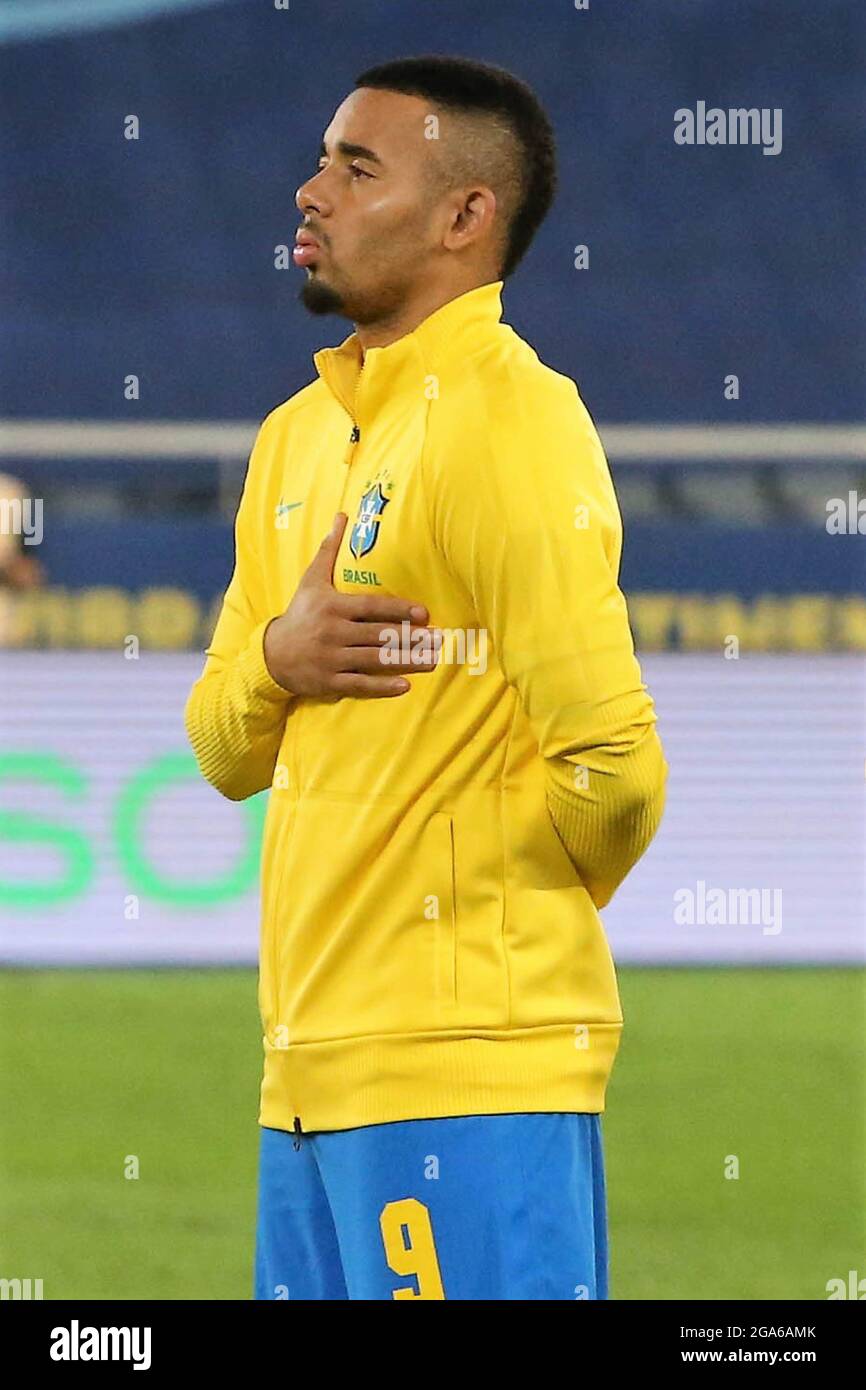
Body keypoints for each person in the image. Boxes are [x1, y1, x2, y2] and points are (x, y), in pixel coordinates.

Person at [185, 54, 668, 1301]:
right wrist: (277, 666)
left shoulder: (509, 422)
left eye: (357, 167)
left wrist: (499, 929)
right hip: (303, 1077)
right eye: (320, 158)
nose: (310, 191)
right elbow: (224, 748)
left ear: (466, 216)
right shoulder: (296, 436)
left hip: (470, 1080)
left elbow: (612, 764)